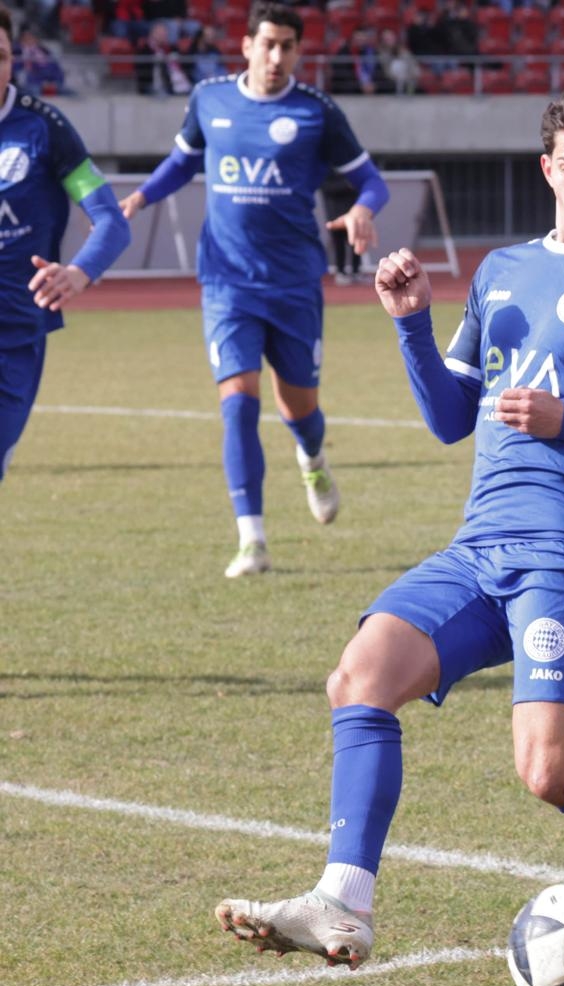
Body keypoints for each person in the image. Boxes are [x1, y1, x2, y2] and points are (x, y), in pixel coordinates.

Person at [213, 80, 564, 979]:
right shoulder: (502, 272)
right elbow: (454, 416)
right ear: (547, 169)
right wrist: (413, 325)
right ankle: (345, 898)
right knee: (360, 677)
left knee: (552, 773)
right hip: (481, 546)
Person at [119, 2, 389, 577]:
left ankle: (312, 457)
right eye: (267, 43)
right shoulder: (210, 99)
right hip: (226, 281)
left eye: (288, 46)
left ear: (297, 51)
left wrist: (365, 210)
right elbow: (181, 162)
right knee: (238, 404)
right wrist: (140, 198)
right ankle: (253, 540)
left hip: (293, 285)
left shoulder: (316, 111)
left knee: (301, 410)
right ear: (245, 45)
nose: (276, 56)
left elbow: (371, 180)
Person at [0, 3, 132, 483]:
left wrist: (77, 272)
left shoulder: (43, 130)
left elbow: (111, 221)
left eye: (1, 56)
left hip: (12, 336)